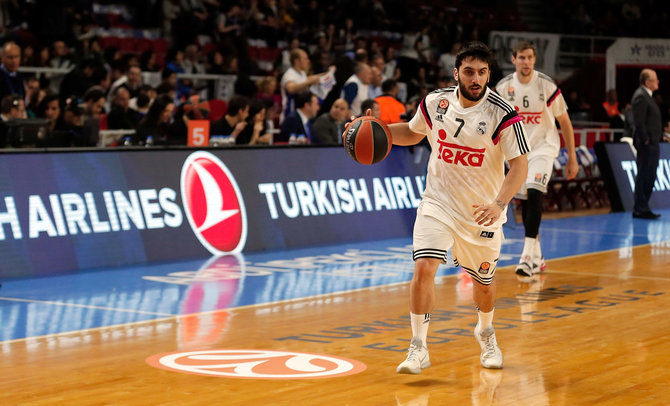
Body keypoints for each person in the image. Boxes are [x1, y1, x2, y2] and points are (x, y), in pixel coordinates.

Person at [376, 41, 529, 373]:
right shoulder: (436, 102)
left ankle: (486, 333)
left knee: (483, 286)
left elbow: (519, 166)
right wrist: (379, 132)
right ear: (456, 73)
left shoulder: (503, 113)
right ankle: (418, 347)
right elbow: (413, 133)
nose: (476, 79)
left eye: (483, 72)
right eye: (470, 72)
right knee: (424, 269)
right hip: (438, 203)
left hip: (481, 212)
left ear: (489, 74)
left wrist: (499, 203)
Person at [495, 41, 579, 279]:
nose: (526, 62)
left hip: (543, 148)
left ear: (534, 60)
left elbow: (565, 122)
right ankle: (539, 257)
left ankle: (527, 257)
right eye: (521, 57)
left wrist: (572, 157)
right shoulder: (503, 87)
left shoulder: (546, 85)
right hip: (517, 153)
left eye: (530, 57)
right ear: (513, 60)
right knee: (526, 204)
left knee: (534, 194)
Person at [631, 69, 663, 219]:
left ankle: (644, 206)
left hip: (653, 142)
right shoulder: (641, 97)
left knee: (650, 175)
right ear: (647, 82)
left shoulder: (648, 96)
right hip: (646, 144)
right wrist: (645, 140)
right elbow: (639, 122)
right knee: (644, 175)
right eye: (655, 79)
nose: (658, 82)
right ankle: (640, 208)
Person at [280, 48, 333, 121]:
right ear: (297, 61)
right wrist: (310, 82)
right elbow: (291, 89)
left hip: (300, 114)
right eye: (305, 59)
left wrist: (329, 73)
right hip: (290, 114)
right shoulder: (290, 74)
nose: (308, 61)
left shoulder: (301, 73)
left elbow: (313, 78)